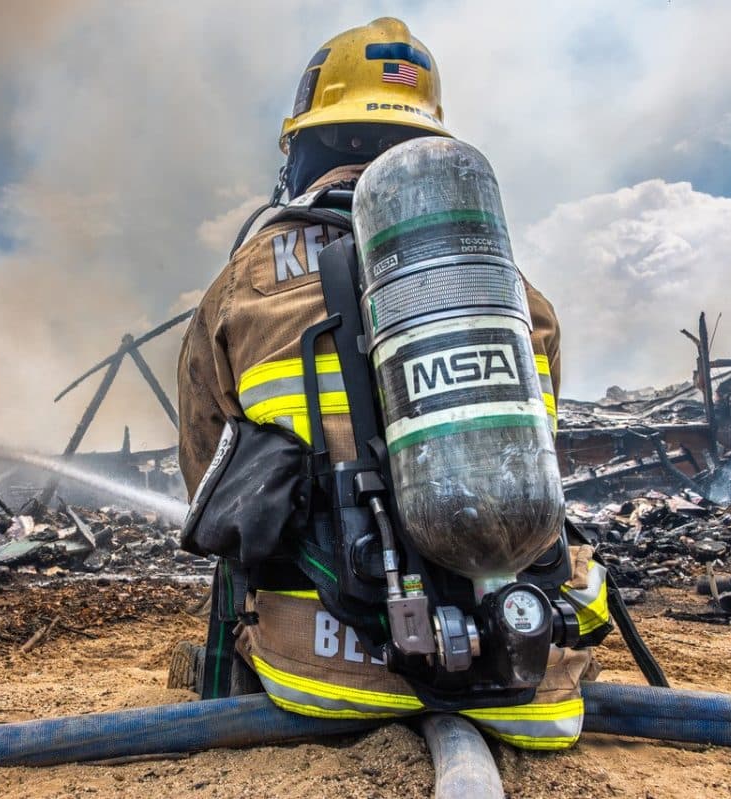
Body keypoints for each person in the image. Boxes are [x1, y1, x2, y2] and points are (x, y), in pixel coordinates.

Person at [176, 17, 607, 749]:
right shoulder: (515, 294)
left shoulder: (238, 288)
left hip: (321, 679)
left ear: (304, 149)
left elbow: (209, 493)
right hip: (524, 677)